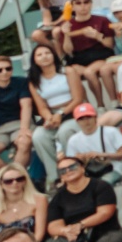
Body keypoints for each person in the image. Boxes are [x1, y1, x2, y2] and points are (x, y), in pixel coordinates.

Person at [44, 157, 120, 242]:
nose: (68, 171)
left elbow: (105, 212)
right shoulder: (58, 197)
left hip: (104, 236)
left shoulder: (101, 186)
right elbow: (53, 226)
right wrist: (65, 231)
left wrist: (80, 225)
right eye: (63, 170)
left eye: (72, 167)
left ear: (82, 168)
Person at [25, 39, 76, 186]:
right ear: (34, 60)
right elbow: (41, 107)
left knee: (65, 132)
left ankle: (75, 169)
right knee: (39, 136)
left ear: (53, 55)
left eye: (47, 53)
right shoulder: (34, 81)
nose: (44, 56)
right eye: (39, 55)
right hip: (51, 113)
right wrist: (50, 118)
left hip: (72, 110)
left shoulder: (68, 71)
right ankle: (56, 177)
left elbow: (78, 98)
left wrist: (60, 114)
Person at [57, 0, 120, 108]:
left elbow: (110, 45)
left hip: (100, 55)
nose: (83, 6)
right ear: (72, 7)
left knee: (89, 72)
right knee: (72, 73)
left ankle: (102, 105)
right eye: (78, 3)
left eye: (86, 2)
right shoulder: (68, 25)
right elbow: (68, 50)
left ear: (91, 4)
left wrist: (98, 36)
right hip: (78, 58)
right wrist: (66, 34)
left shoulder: (102, 20)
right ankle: (86, 105)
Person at [59, 102, 122, 183]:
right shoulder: (73, 140)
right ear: (77, 122)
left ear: (95, 117)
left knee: (103, 183)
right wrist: (80, 159)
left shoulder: (111, 131)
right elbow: (71, 164)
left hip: (114, 169)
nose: (86, 121)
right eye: (81, 119)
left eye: (89, 117)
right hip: (88, 172)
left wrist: (102, 155)